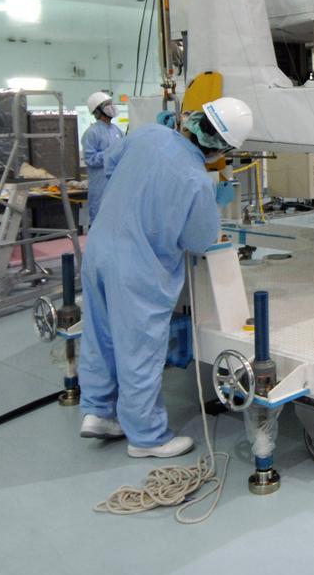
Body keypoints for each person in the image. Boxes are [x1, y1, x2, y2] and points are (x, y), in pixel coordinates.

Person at [77, 97, 252, 458]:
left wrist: (135, 193)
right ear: (222, 147)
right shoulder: (195, 181)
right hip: (137, 266)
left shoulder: (148, 135)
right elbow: (200, 241)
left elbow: (110, 164)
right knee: (138, 347)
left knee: (99, 332)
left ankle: (97, 411)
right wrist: (212, 205)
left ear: (196, 120)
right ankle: (147, 438)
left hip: (98, 247)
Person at [81, 91, 124, 226]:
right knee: (100, 221)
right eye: (107, 105)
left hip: (116, 184)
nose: (111, 107)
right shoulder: (92, 133)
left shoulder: (117, 130)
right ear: (97, 111)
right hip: (100, 185)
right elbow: (90, 159)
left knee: (117, 220)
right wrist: (109, 154)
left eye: (111, 104)